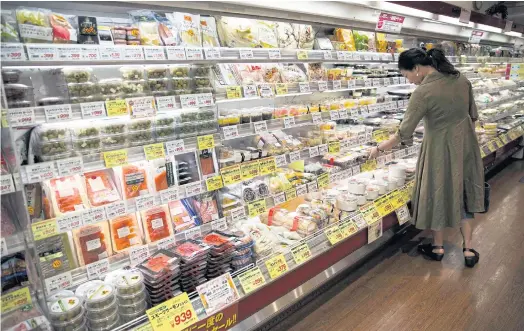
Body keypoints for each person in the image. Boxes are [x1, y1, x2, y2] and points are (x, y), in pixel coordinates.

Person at [368, 48, 485, 268]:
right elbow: (473, 116)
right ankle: (468, 249)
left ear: (417, 69)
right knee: (463, 195)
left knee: (437, 193)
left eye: (406, 75)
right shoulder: (461, 80)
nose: (409, 80)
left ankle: (438, 247)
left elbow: (404, 133)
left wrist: (379, 149)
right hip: (466, 147)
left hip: (438, 150)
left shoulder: (423, 92)